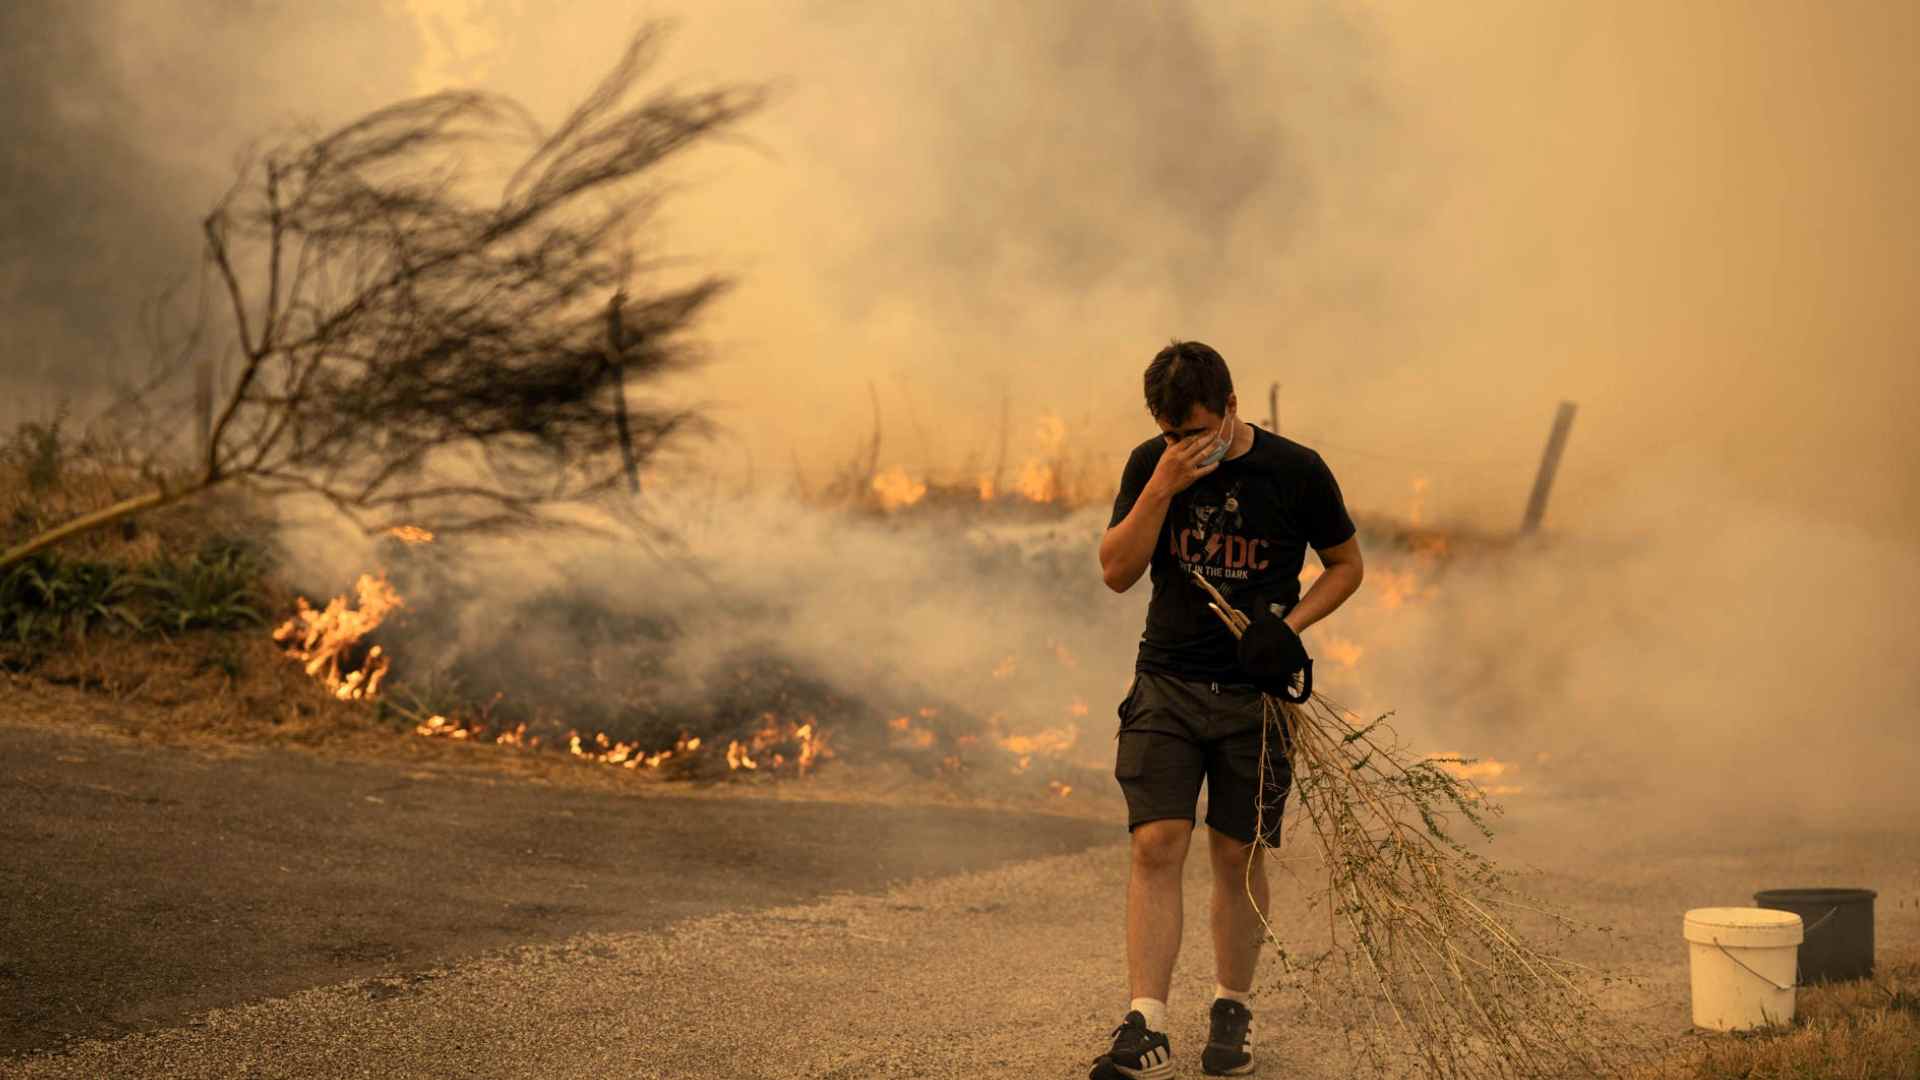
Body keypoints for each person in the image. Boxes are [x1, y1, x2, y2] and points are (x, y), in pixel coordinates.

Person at [1090, 340, 1364, 1078]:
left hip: (1256, 697)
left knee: (1238, 855)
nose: (1185, 447)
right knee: (1156, 843)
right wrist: (1162, 484)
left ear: (1234, 408)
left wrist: (1289, 629)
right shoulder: (1152, 464)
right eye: (1173, 434)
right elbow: (1116, 572)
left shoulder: (1295, 470)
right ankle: (1144, 1019)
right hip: (1167, 682)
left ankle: (1232, 1008)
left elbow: (1347, 565)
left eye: (1199, 434)